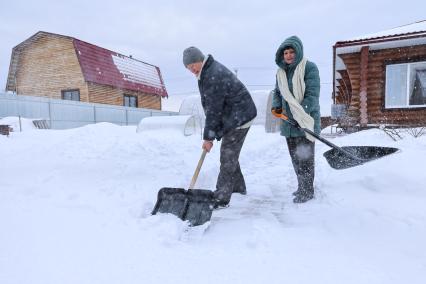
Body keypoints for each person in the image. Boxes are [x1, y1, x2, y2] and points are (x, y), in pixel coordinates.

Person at [182, 46, 257, 208]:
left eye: (192, 65)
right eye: (188, 68)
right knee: (230, 152)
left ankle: (221, 197)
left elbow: (214, 110)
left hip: (240, 117)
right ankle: (238, 187)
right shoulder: (206, 72)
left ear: (200, 60)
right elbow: (212, 107)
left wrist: (208, 137)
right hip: (235, 115)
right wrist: (211, 134)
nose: (191, 69)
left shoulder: (212, 74)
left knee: (227, 155)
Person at [271, 36, 321, 203]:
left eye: (292, 52)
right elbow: (277, 92)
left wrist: (300, 114)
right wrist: (276, 106)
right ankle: (301, 186)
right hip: (288, 124)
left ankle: (307, 191)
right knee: (295, 159)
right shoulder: (281, 73)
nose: (289, 55)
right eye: (286, 52)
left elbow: (312, 95)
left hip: (305, 121)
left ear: (298, 52)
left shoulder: (309, 68)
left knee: (305, 158)